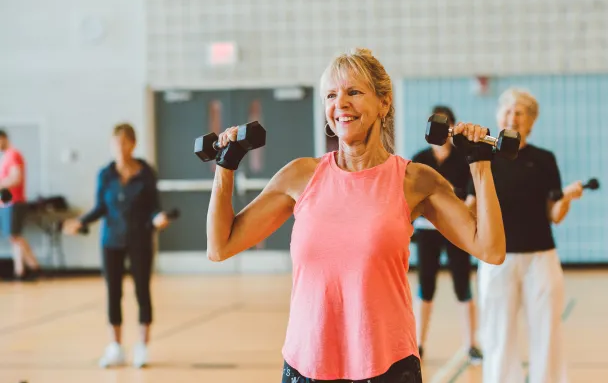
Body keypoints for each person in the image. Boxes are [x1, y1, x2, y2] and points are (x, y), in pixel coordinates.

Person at [205, 48, 507, 383]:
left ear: (384, 103)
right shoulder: (300, 176)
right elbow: (221, 246)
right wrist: (225, 166)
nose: (341, 104)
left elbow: (490, 249)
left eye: (354, 92)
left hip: (388, 366)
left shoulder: (414, 180)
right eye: (331, 95)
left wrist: (480, 164)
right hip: (308, 366)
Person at [466, 87, 584, 383]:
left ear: (531, 121)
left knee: (547, 331)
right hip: (496, 260)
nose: (512, 117)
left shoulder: (544, 159)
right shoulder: (484, 157)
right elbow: (471, 207)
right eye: (507, 110)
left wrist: (566, 198)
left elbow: (553, 215)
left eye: (520, 112)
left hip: (541, 259)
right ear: (498, 115)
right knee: (498, 333)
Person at [62, 123, 173, 369]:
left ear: (133, 144)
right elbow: (101, 206)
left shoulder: (146, 173)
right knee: (113, 293)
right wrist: (80, 222)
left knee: (142, 292)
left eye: (124, 142)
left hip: (140, 240)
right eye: (116, 143)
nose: (120, 148)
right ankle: (115, 347)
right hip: (111, 240)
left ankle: (142, 347)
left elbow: (154, 206)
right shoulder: (106, 174)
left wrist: (157, 219)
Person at [410, 105, 483, 364]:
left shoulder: (464, 158)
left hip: (455, 231)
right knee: (425, 286)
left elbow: (473, 197)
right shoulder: (419, 159)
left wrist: (456, 215)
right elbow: (411, 197)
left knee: (462, 285)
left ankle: (471, 345)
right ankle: (418, 344)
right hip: (426, 232)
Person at [0, 129, 41, 281]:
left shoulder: (13, 155)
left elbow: (16, 178)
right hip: (6, 203)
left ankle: (34, 266)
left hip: (15, 202)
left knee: (15, 236)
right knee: (13, 237)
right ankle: (20, 270)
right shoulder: (5, 157)